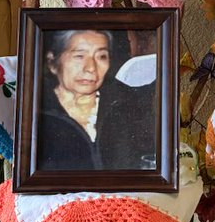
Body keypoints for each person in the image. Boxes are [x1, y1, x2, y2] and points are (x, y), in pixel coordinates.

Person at [38, 29, 155, 171]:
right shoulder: (37, 112)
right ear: (52, 63)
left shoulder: (129, 105)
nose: (91, 68)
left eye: (101, 56)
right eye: (79, 56)